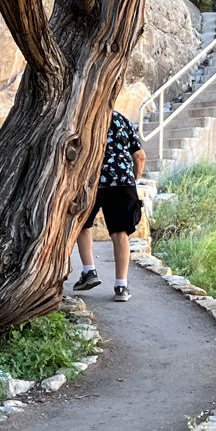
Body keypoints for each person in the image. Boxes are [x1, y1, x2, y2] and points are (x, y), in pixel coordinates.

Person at [72, 110, 146, 302]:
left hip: (93, 181)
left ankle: (89, 271)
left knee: (82, 224)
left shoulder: (85, 117)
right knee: (120, 234)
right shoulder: (123, 121)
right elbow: (140, 156)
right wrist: (131, 179)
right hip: (123, 182)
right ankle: (121, 286)